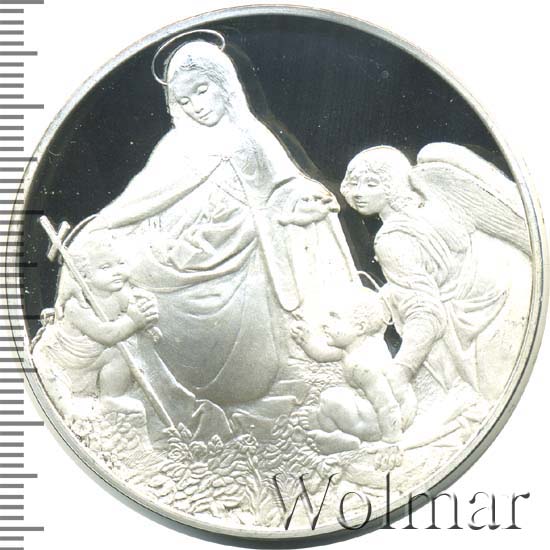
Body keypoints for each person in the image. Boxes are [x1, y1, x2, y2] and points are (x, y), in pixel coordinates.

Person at [70, 38, 359, 415]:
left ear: (224, 83)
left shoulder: (254, 137)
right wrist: (100, 229)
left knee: (253, 376)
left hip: (244, 265)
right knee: (118, 262)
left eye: (202, 90)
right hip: (176, 261)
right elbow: (140, 201)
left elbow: (284, 186)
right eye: (185, 100)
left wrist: (303, 197)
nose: (197, 105)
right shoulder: (175, 146)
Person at [340, 144, 531, 420]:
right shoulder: (433, 206)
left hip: (485, 316)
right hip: (515, 280)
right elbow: (436, 269)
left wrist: (402, 369)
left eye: (372, 184)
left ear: (393, 185)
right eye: (353, 183)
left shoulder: (391, 240)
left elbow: (426, 312)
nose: (359, 192)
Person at [33, 236, 159, 419]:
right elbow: (106, 335)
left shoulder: (119, 293)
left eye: (121, 263)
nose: (117, 272)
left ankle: (111, 398)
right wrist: (134, 322)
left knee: (119, 354)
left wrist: (145, 321)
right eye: (106, 267)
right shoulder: (75, 305)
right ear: (85, 276)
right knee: (68, 406)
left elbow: (133, 310)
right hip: (63, 358)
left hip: (91, 357)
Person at [291, 286, 416, 453]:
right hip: (392, 410)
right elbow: (323, 355)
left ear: (360, 327)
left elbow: (387, 405)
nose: (324, 324)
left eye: (334, 317)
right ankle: (336, 435)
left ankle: (345, 441)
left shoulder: (363, 364)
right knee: (331, 401)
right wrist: (305, 341)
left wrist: (391, 441)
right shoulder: (355, 345)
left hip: (389, 420)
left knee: (330, 399)